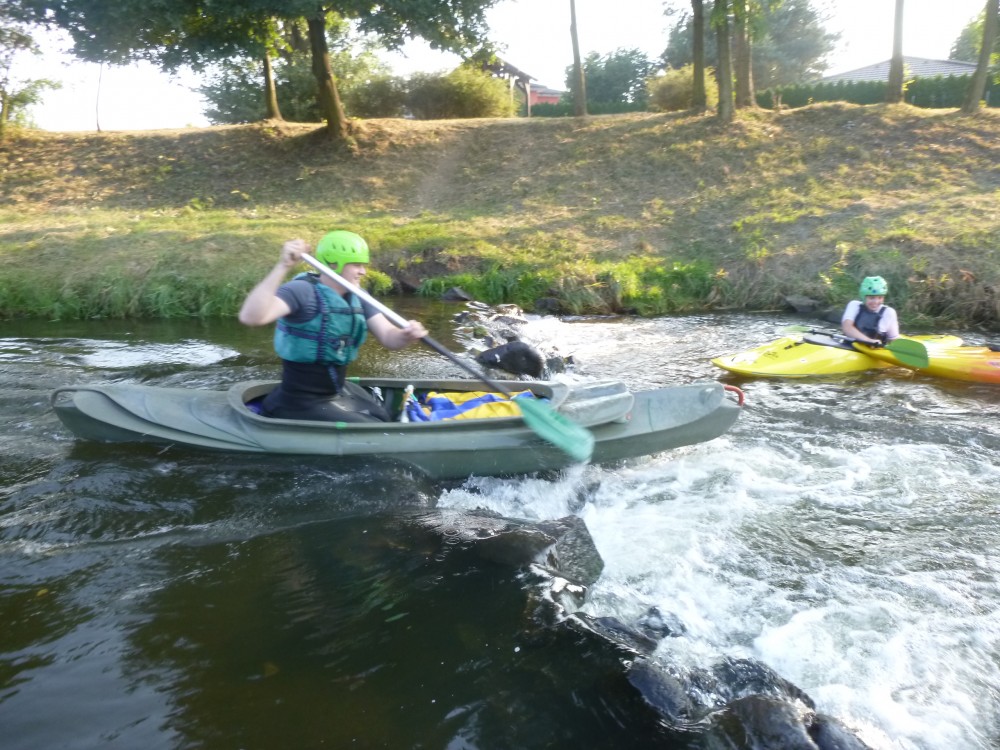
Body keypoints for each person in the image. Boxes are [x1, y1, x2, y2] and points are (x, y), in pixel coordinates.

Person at [239, 231, 428, 422]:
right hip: (300, 399)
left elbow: (388, 336)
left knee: (382, 416)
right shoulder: (301, 292)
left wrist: (406, 334)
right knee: (375, 428)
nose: (363, 272)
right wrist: (283, 266)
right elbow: (251, 317)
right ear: (334, 264)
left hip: (334, 392)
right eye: (356, 265)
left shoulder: (358, 296)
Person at [841, 276, 900, 345]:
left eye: (880, 297)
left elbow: (893, 340)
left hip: (874, 350)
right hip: (849, 348)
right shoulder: (854, 305)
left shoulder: (889, 312)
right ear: (864, 297)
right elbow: (847, 328)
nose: (876, 302)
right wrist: (868, 340)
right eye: (872, 298)